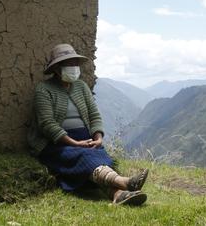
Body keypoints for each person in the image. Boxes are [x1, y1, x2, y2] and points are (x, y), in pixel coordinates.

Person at [27, 43, 149, 206]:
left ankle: (118, 194)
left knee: (99, 158)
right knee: (84, 156)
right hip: (56, 143)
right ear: (56, 68)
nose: (73, 67)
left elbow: (94, 115)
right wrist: (74, 143)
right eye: (68, 64)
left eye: (74, 63)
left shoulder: (81, 87)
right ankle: (126, 183)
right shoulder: (44, 90)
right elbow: (47, 124)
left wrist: (97, 137)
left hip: (85, 139)